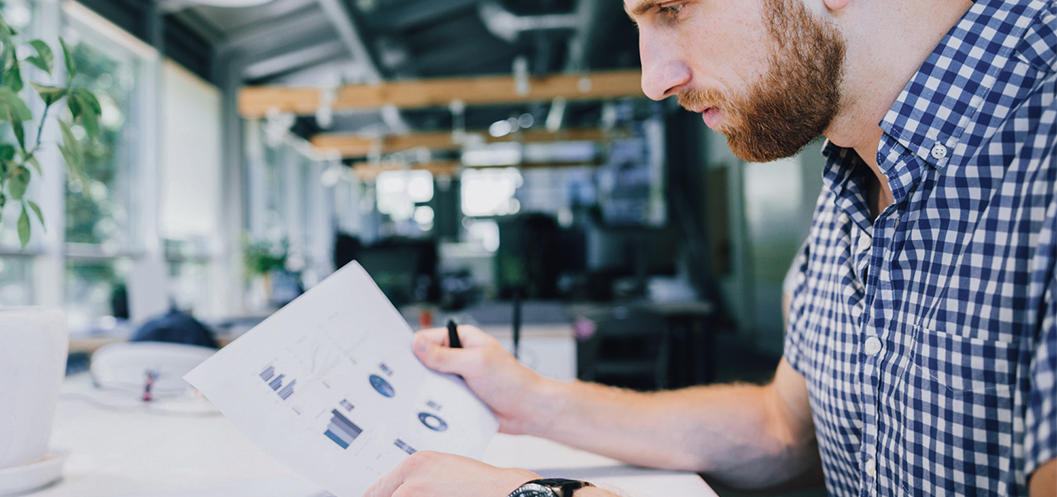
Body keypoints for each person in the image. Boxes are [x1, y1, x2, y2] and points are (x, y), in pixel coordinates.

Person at [366, 0, 1057, 495]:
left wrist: (534, 496)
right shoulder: (858, 164)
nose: (652, 78)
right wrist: (530, 400)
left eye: (671, 10)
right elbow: (781, 428)